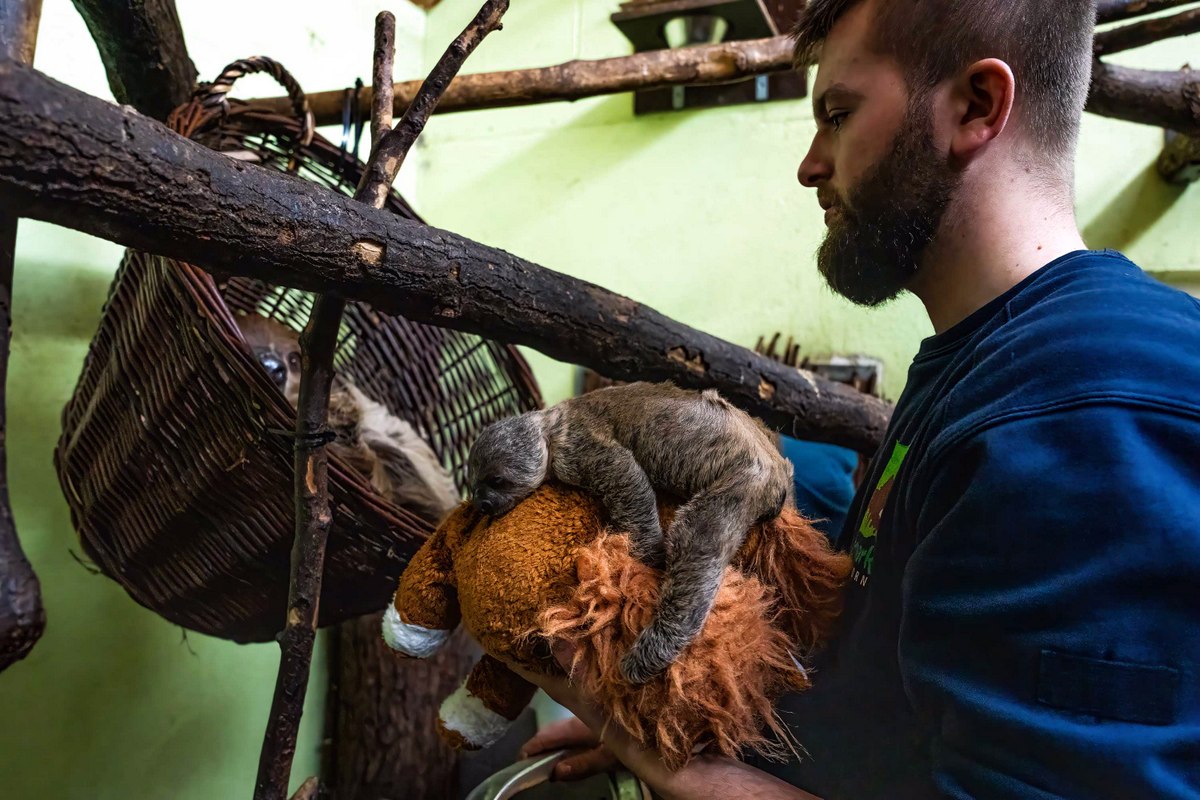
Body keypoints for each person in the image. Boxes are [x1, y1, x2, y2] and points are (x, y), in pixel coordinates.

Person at [512, 1, 1200, 797]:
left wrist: (671, 764)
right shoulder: (982, 361)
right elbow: (898, 709)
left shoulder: (1080, 414)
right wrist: (692, 721)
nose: (810, 165)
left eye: (838, 114)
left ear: (976, 106)